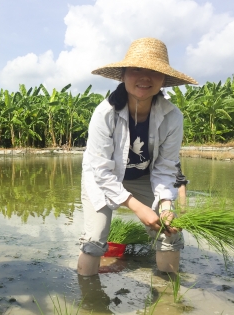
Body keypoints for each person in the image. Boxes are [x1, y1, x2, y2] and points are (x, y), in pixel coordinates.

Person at [77, 37, 198, 276]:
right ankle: (90, 303)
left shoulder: (173, 117)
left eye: (154, 72)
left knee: (169, 230)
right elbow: (101, 171)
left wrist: (165, 204)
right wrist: (137, 207)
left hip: (145, 178)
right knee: (94, 239)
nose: (145, 77)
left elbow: (165, 167)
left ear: (164, 80)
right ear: (123, 75)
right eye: (136, 69)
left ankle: (167, 298)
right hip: (103, 177)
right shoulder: (105, 114)